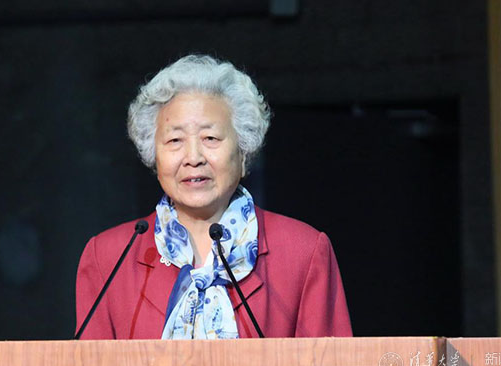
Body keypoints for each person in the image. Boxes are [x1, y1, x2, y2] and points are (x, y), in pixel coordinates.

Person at [75, 55, 352, 339]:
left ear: (243, 153)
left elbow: (331, 365)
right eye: (175, 140)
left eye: (211, 138)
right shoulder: (107, 258)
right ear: (154, 157)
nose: (193, 157)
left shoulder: (303, 252)